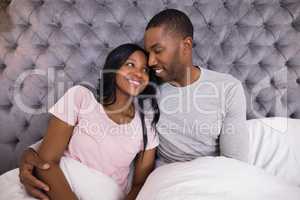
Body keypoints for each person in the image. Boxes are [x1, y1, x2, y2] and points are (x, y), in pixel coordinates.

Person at [19, 9, 249, 200]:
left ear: (185, 45)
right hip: (164, 182)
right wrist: (32, 155)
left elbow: (235, 166)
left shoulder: (227, 88)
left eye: (157, 51)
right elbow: (95, 118)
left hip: (210, 178)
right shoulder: (146, 91)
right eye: (147, 55)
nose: (149, 63)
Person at [19, 43, 160, 200]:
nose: (139, 74)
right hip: (59, 188)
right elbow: (47, 162)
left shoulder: (146, 128)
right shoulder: (80, 97)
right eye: (130, 64)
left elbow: (139, 186)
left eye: (145, 70)